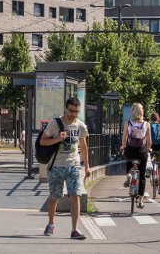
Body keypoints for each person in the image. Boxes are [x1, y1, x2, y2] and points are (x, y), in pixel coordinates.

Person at [42, 96, 91, 240]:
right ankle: (51, 223)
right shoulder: (55, 124)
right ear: (65, 108)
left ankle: (75, 230)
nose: (74, 114)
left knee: (75, 196)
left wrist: (87, 166)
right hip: (56, 166)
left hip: (74, 165)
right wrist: (57, 138)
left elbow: (83, 146)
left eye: (77, 111)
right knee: (54, 196)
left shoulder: (80, 126)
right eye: (71, 111)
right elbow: (42, 141)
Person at [121, 103, 150, 209]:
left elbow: (124, 138)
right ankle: (141, 201)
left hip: (130, 150)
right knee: (142, 176)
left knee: (128, 160)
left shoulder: (128, 123)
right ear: (142, 112)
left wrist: (123, 147)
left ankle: (128, 177)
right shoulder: (146, 124)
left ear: (132, 112)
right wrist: (149, 149)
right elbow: (149, 140)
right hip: (142, 152)